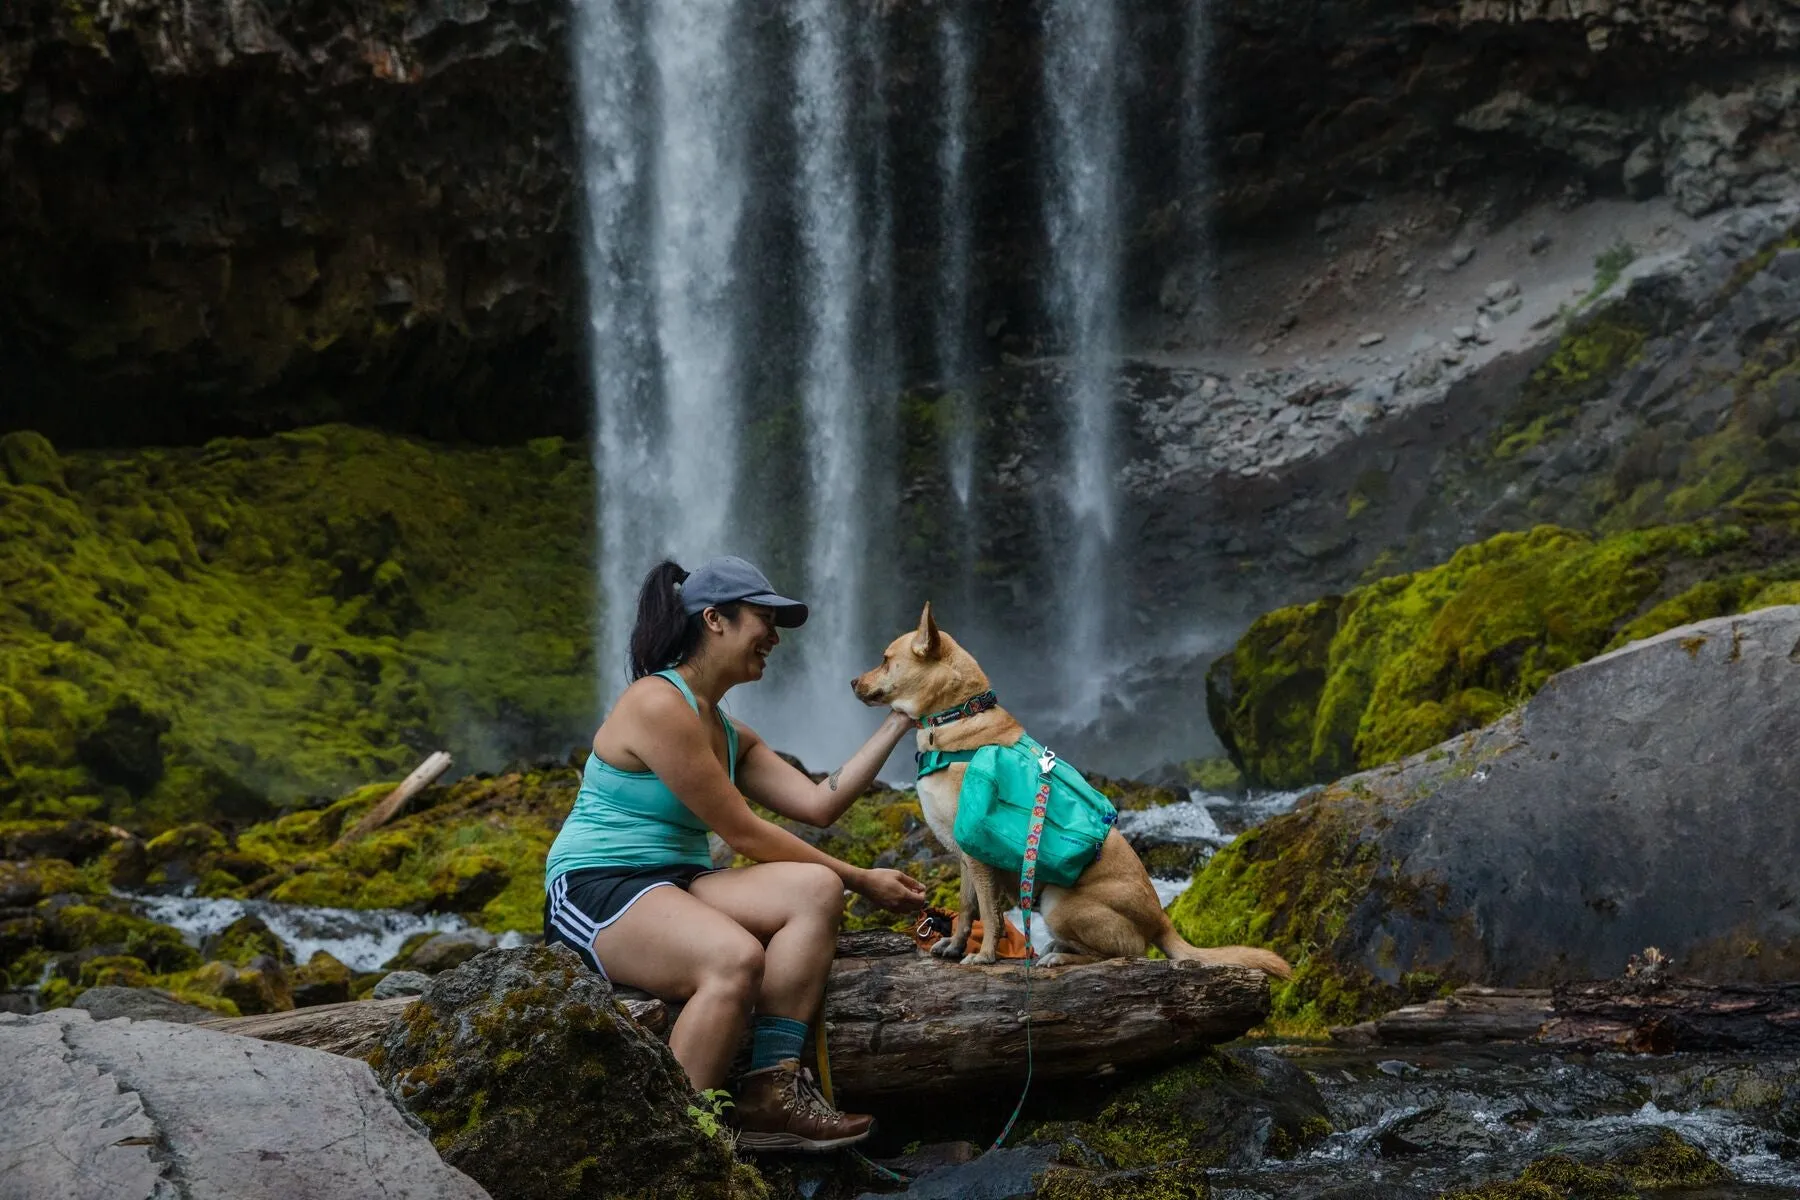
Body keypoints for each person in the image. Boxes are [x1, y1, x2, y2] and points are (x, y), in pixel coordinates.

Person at [544, 555, 927, 1152]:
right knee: (733, 958)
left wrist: (901, 718)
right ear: (715, 619)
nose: (774, 637)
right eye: (763, 619)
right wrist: (862, 877)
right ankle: (678, 1146)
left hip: (678, 882)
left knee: (814, 889)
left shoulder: (726, 730)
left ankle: (769, 1092)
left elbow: (818, 803)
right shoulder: (656, 703)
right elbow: (745, 833)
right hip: (598, 885)